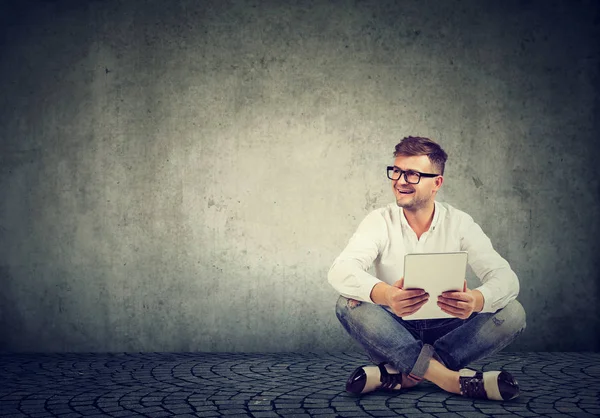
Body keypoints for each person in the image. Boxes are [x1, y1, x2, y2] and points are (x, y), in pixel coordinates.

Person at [328, 136, 526, 401]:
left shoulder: (459, 222)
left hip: (452, 329)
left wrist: (477, 300)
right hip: (395, 329)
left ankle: (403, 373)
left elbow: (506, 279)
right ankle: (449, 379)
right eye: (396, 171)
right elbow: (340, 270)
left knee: (513, 311)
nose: (399, 181)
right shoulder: (379, 221)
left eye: (412, 174)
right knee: (347, 303)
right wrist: (387, 294)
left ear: (437, 183)